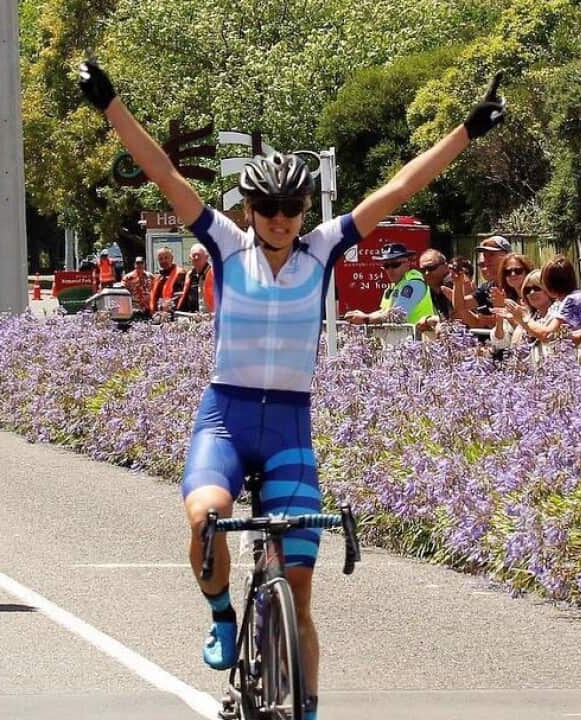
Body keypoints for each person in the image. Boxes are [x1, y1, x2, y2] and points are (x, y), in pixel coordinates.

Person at [77, 57, 506, 715]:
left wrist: (468, 130)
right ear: (247, 209)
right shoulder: (223, 243)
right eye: (267, 208)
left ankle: (305, 706)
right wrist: (110, 105)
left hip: (289, 430)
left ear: (306, 209)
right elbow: (163, 170)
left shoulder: (324, 247)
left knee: (299, 591)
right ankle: (222, 613)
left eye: (291, 208)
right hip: (224, 418)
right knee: (205, 518)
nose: (279, 218)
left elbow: (399, 186)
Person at [495, 255, 581, 343]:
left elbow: (548, 335)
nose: (532, 293)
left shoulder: (572, 300)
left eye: (539, 286)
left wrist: (524, 318)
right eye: (528, 290)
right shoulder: (573, 298)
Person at [345, 243, 433, 326]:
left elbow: (398, 314)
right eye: (386, 266)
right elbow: (383, 312)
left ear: (407, 264)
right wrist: (363, 317)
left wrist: (367, 319)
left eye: (395, 265)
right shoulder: (393, 287)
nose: (390, 270)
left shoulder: (414, 283)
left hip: (419, 338)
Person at [450, 236, 513, 329]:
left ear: (507, 256)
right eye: (485, 255)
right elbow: (460, 306)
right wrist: (458, 284)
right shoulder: (487, 287)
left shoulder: (515, 281)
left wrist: (495, 319)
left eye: (492, 254)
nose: (487, 259)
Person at [177, 243, 216, 314]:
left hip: (212, 316)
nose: (196, 258)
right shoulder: (190, 275)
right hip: (194, 317)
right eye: (194, 255)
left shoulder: (214, 274)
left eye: (199, 255)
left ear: (206, 257)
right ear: (190, 258)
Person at [150, 247, 186, 313]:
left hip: (173, 313)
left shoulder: (180, 274)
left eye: (166, 258)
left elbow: (181, 296)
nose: (163, 261)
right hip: (157, 314)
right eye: (160, 259)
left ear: (172, 258)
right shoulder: (157, 276)